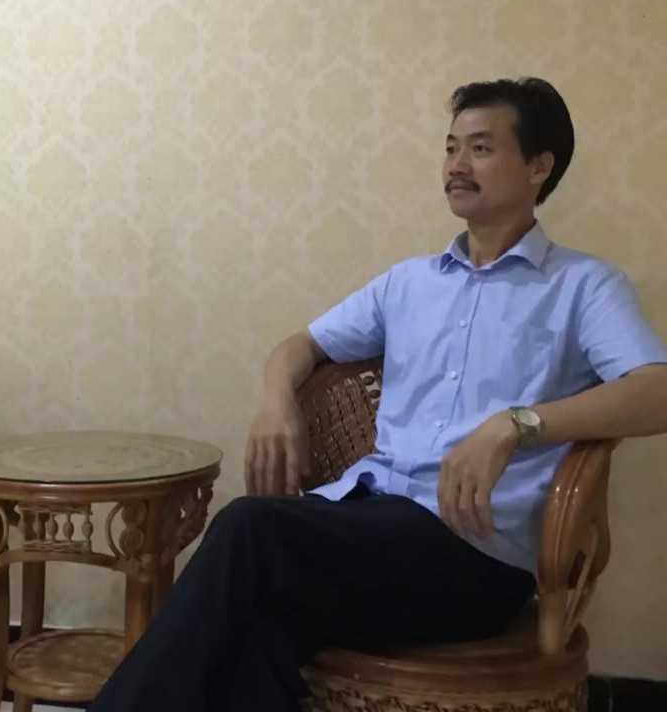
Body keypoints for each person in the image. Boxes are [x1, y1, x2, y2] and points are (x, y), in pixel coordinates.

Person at [87, 77, 667, 712]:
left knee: (249, 528)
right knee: (258, 634)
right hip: (369, 523)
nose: (456, 165)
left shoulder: (583, 285)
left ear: (539, 166)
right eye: (451, 148)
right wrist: (277, 400)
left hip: (475, 556)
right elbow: (301, 345)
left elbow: (656, 391)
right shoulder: (409, 283)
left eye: (480, 148)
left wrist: (516, 424)